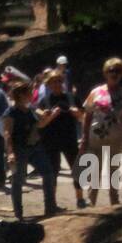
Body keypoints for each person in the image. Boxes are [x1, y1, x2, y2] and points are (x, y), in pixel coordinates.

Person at [81, 57, 122, 207]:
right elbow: (87, 114)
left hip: (116, 140)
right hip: (95, 139)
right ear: (105, 73)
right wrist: (84, 138)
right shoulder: (96, 92)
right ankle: (91, 205)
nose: (114, 73)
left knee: (113, 173)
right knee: (93, 174)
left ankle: (114, 205)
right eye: (111, 70)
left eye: (117, 71)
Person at [37, 70, 83, 210]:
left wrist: (77, 113)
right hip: (50, 141)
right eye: (53, 82)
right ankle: (52, 203)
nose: (57, 84)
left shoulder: (71, 98)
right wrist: (50, 116)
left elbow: (83, 118)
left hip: (69, 139)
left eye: (59, 81)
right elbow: (39, 123)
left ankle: (80, 199)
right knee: (53, 172)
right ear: (48, 84)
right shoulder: (44, 101)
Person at [4, 81, 50, 220]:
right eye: (29, 93)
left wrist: (46, 115)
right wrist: (10, 153)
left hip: (34, 147)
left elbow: (41, 123)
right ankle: (19, 214)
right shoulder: (11, 112)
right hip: (19, 149)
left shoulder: (30, 109)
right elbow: (7, 133)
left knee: (48, 173)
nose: (31, 95)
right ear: (21, 95)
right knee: (18, 181)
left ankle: (50, 208)